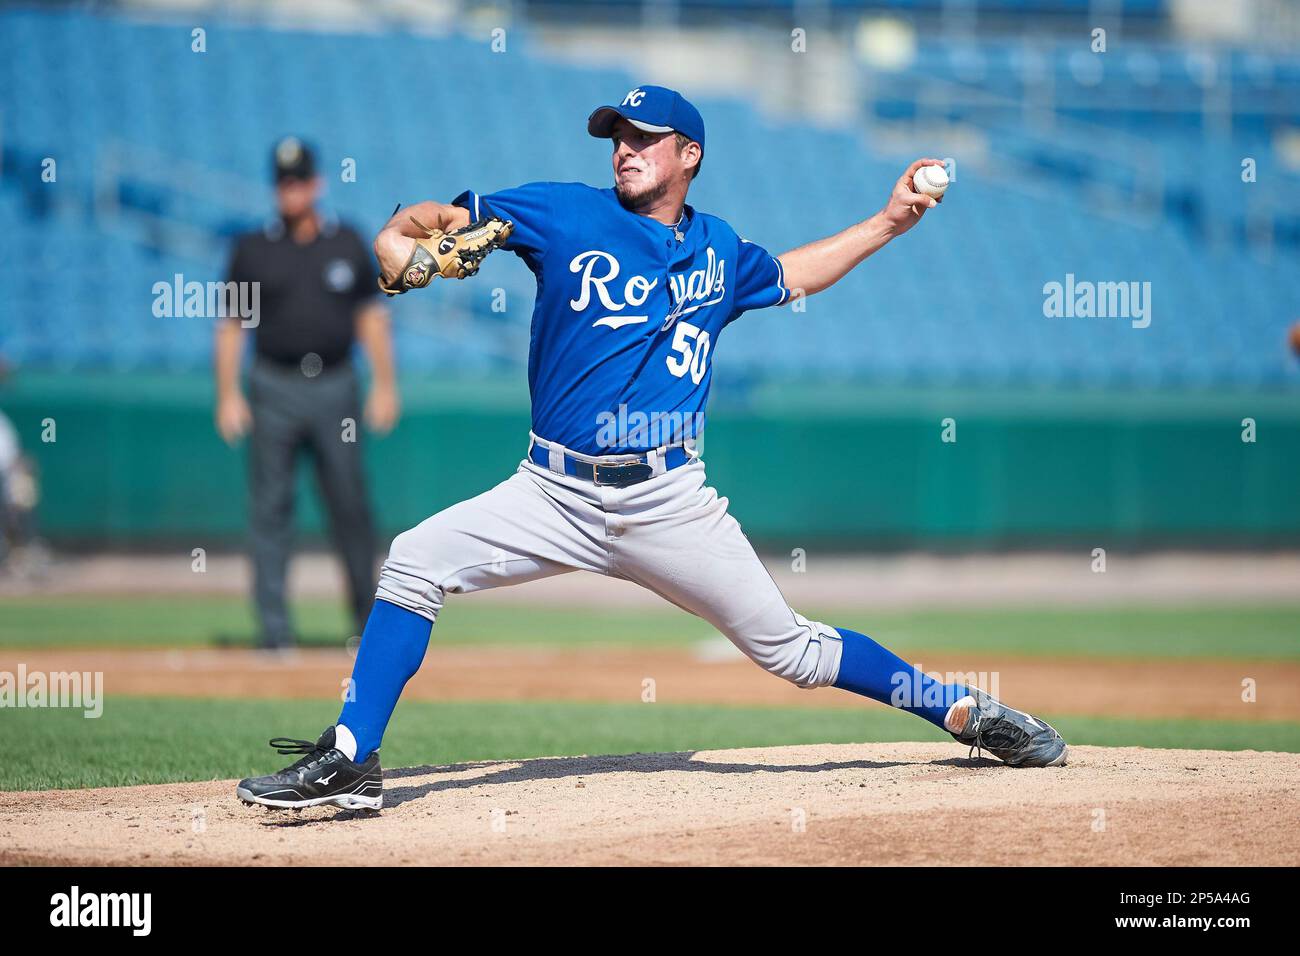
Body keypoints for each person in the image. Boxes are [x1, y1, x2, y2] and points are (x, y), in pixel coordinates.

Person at [236, 87, 1066, 811]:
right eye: (616, 138)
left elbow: (793, 274)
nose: (624, 150)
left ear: (689, 154)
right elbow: (429, 221)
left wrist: (888, 221)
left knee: (794, 652)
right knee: (415, 559)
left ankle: (961, 710)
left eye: (642, 138)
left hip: (668, 500)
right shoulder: (564, 210)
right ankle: (351, 757)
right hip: (551, 491)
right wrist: (395, 242)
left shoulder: (717, 249)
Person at [215, 137, 398, 649]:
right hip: (273, 386)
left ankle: (365, 627)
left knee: (350, 505)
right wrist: (227, 394)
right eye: (282, 182)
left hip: (336, 386)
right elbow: (231, 324)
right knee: (270, 508)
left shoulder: (345, 242)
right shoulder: (252, 249)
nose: (290, 190)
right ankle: (274, 632)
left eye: (298, 181)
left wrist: (385, 384)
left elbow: (371, 317)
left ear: (316, 184)